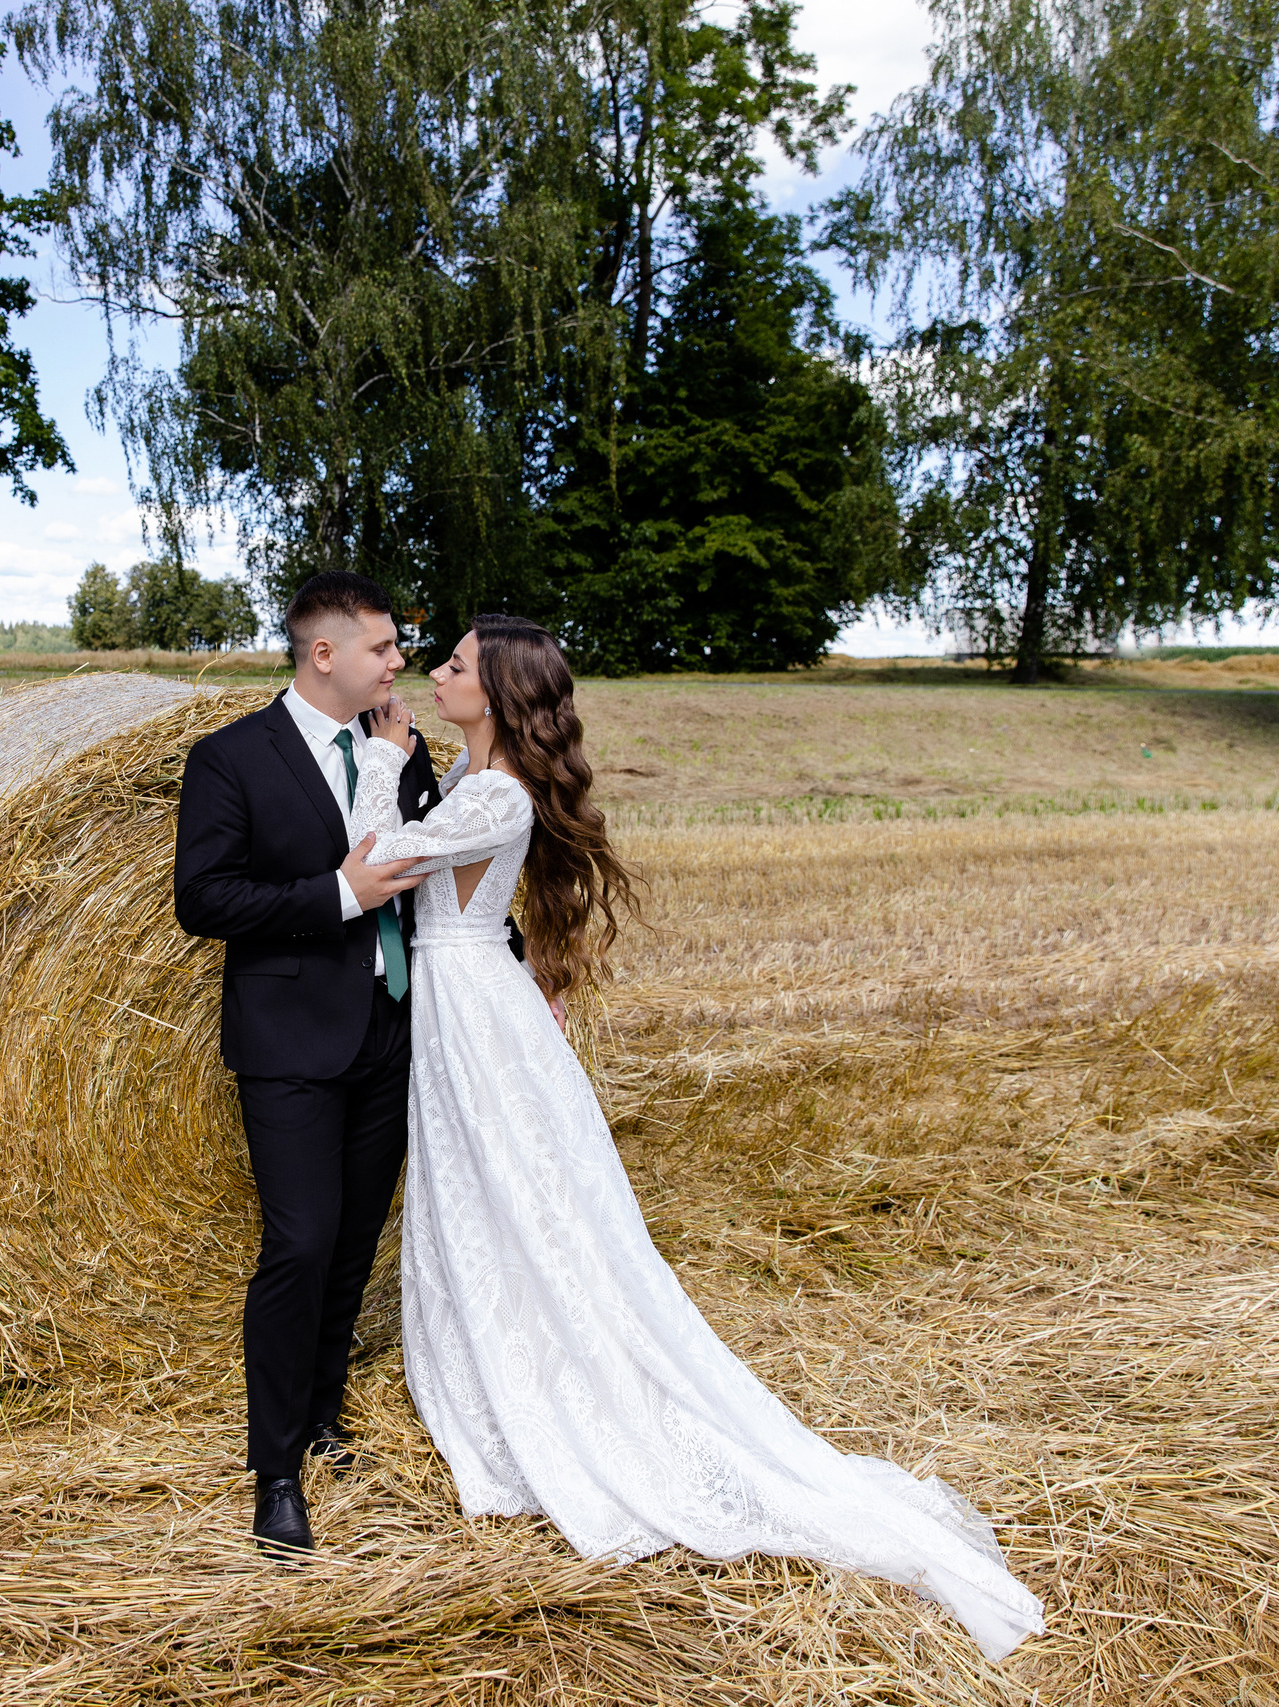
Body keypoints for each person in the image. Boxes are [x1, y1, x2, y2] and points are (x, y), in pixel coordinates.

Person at [343, 613, 1046, 1662]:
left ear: (491, 693)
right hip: (471, 999)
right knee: (483, 1193)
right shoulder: (472, 771)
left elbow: (375, 862)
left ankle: (553, 1393)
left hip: (476, 1017)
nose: (430, 674)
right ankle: (497, 1359)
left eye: (450, 665)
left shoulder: (489, 790)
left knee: (516, 1199)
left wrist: (377, 763)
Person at [172, 570, 440, 1557]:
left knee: (354, 1241)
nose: (398, 662)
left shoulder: (400, 753)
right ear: (323, 654)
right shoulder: (231, 759)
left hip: (390, 1028)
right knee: (298, 1243)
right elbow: (202, 900)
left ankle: (324, 1421)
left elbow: (441, 879)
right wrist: (336, 893)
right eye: (382, 647)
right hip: (289, 1041)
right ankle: (275, 1472)